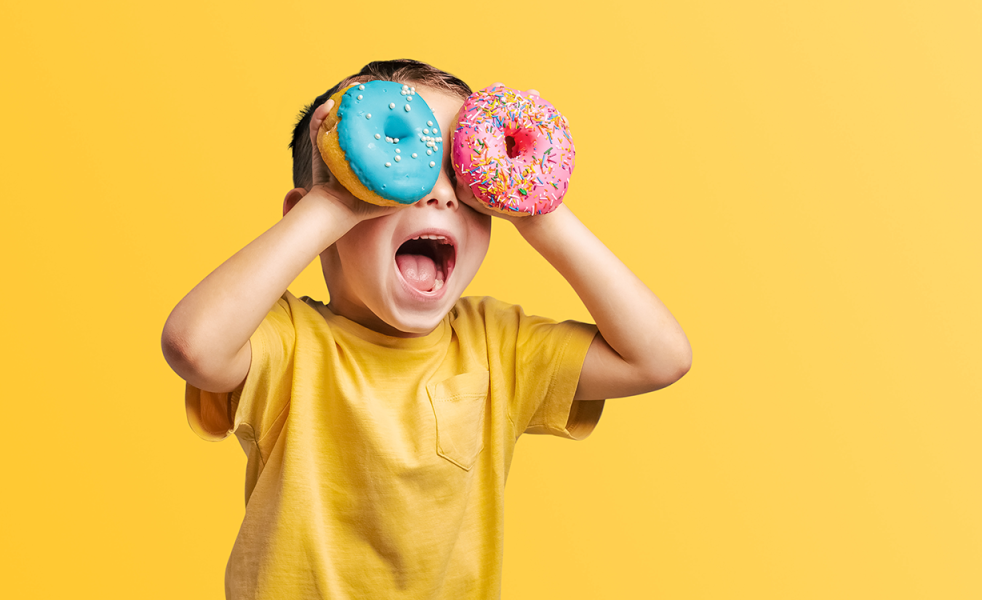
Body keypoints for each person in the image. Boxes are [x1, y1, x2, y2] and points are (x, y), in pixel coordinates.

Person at [161, 59, 690, 599]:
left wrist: (539, 211)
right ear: (315, 218)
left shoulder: (495, 346)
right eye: (396, 169)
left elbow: (659, 358)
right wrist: (334, 203)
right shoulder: (289, 342)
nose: (439, 195)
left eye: (462, 178)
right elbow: (193, 346)